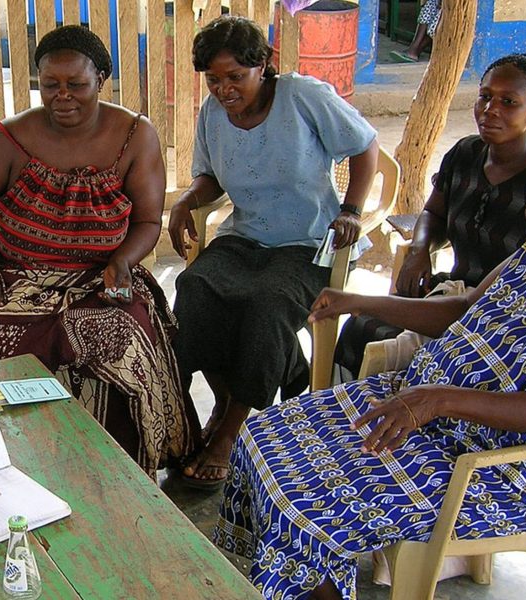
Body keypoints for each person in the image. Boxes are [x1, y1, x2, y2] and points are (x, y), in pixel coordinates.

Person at [214, 139, 526, 600]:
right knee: (265, 434)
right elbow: (462, 310)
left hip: (499, 469)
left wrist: (438, 400)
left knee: (306, 507)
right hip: (425, 410)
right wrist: (358, 301)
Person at [0, 25, 198, 477]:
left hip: (103, 275)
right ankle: (5, 473)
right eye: (49, 85)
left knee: (124, 348)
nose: (62, 96)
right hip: (13, 274)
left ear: (101, 80)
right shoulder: (10, 139)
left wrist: (122, 261)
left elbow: (148, 221)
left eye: (77, 84)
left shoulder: (135, 136)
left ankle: (116, 478)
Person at [167, 15, 378, 488]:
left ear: (263, 65)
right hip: (247, 236)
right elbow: (212, 179)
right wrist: (186, 199)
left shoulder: (303, 97)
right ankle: (224, 402)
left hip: (309, 241)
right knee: (195, 287)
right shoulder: (212, 114)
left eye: (235, 77)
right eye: (214, 79)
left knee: (269, 303)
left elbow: (364, 146)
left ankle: (230, 431)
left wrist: (351, 210)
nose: (223, 90)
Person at [335, 53, 526, 380]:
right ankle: (341, 418)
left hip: (502, 317)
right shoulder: (465, 154)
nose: (491, 109)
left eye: (509, 101)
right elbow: (433, 212)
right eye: (485, 97)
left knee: (396, 349)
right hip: (450, 292)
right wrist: (419, 249)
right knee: (360, 326)